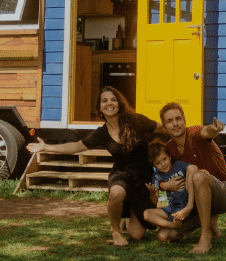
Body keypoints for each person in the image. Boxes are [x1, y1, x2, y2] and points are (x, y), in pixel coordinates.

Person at [27, 86, 163, 246]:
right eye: (104, 101)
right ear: (99, 108)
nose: (109, 103)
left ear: (119, 103)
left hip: (143, 179)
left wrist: (186, 132)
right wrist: (46, 147)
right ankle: (115, 231)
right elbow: (76, 146)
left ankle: (128, 217)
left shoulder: (136, 121)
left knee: (137, 235)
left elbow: (162, 128)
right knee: (117, 193)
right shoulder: (101, 133)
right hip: (122, 175)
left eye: (113, 99)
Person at [157, 103, 226, 254]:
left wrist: (214, 129)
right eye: (169, 121)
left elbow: (207, 132)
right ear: (164, 127)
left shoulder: (194, 133)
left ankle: (205, 238)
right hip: (197, 199)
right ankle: (210, 219)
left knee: (199, 176)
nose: (175, 123)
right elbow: (161, 179)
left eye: (178, 118)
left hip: (225, 192)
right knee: (164, 235)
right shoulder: (168, 150)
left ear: (184, 121)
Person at [143, 140, 197, 229]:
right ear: (154, 166)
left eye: (164, 159)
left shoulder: (178, 166)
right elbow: (155, 201)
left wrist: (190, 177)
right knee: (147, 214)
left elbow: (193, 168)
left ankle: (182, 215)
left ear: (169, 156)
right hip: (168, 209)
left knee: (191, 168)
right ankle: (173, 225)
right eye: (158, 163)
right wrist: (153, 192)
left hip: (184, 206)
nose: (163, 164)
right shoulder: (157, 177)